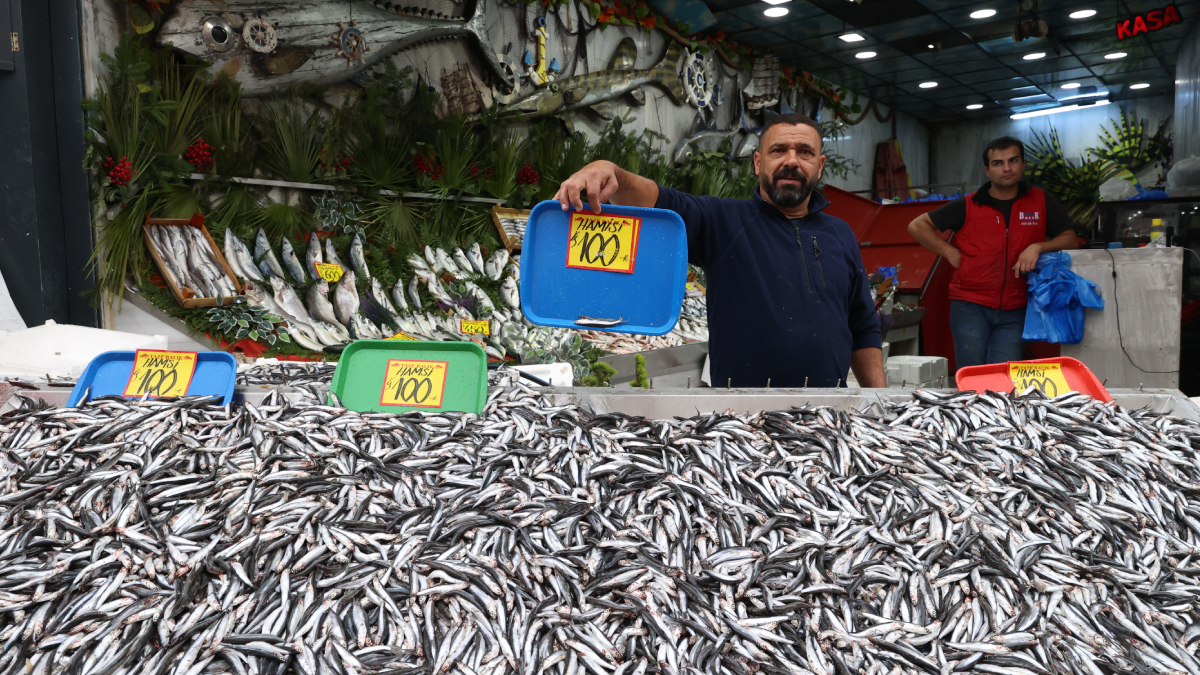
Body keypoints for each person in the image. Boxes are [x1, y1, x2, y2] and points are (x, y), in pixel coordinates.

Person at [554, 113, 885, 388]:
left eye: (805, 152)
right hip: (741, 420)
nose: (791, 161)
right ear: (758, 163)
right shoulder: (723, 221)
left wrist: (881, 404)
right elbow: (663, 202)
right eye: (778, 151)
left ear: (820, 165)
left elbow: (862, 324)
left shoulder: (839, 233)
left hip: (830, 415)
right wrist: (609, 171)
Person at [907, 136, 1077, 368]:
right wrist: (950, 253)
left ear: (1023, 164)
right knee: (972, 375)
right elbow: (917, 225)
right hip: (970, 306)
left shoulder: (1041, 201)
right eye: (998, 163)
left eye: (1013, 160)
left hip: (1017, 308)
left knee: (1003, 379)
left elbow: (1070, 239)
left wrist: (1037, 246)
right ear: (987, 170)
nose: (1007, 168)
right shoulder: (968, 205)